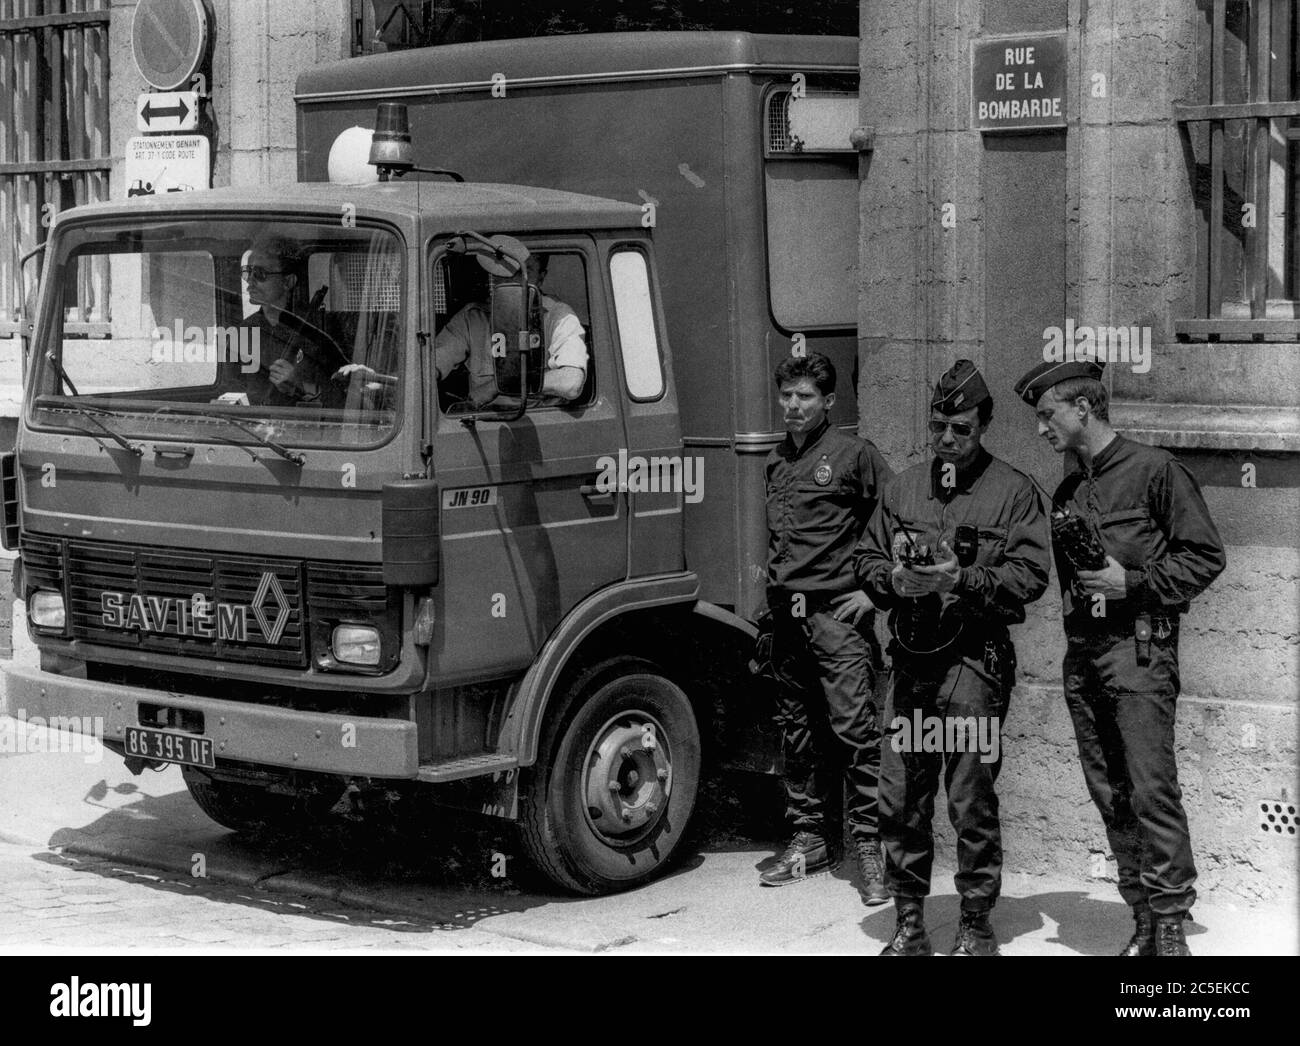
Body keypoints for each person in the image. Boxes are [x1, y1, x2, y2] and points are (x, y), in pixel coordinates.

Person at [1014, 359, 1226, 957]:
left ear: (1083, 407)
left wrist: (1129, 581)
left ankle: (1169, 924)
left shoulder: (1156, 470)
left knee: (1151, 788)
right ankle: (1140, 914)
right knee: (1109, 790)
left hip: (1139, 651)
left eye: (1046, 414)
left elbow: (1205, 558)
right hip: (1085, 657)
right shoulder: (1067, 491)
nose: (1040, 429)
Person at [854, 360, 1050, 955]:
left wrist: (960, 579)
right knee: (901, 795)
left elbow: (1031, 575)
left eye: (960, 429)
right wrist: (892, 577)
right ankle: (910, 922)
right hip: (911, 662)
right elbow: (864, 558)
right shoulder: (905, 487)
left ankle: (975, 922)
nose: (945, 439)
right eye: (938, 426)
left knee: (970, 796)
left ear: (983, 426)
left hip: (973, 665)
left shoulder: (1012, 491)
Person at [757, 352, 893, 906]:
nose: (793, 406)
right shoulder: (775, 462)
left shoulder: (854, 456)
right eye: (787, 395)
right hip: (787, 619)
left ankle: (869, 848)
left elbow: (897, 518)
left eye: (805, 397)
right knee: (797, 731)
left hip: (837, 617)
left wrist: (875, 592)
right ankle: (809, 839)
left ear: (829, 402)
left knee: (856, 733)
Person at [435, 253, 587, 407]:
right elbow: (434, 363)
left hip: (540, 421)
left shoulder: (558, 316)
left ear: (540, 278)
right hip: (484, 420)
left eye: (523, 271)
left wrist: (496, 386)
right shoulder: (472, 317)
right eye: (506, 270)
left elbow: (571, 382)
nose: (513, 280)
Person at [237, 235, 346, 409]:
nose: (250, 281)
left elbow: (346, 396)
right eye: (247, 272)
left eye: (259, 274)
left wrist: (300, 385)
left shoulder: (320, 328)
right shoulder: (246, 330)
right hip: (255, 428)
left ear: (288, 282)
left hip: (309, 428)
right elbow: (232, 389)